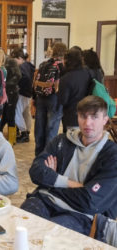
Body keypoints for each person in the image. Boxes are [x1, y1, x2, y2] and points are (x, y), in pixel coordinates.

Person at [21, 95, 117, 238]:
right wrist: (72, 184)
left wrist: (52, 183)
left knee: (48, 238)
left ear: (105, 120)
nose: (87, 123)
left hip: (81, 215)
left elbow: (90, 201)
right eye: (83, 116)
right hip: (44, 200)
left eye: (94, 117)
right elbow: (35, 171)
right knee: (19, 228)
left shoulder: (112, 155)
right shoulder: (62, 141)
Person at [34, 42, 67, 156]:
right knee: (51, 127)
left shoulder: (44, 64)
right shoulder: (62, 66)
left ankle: (38, 152)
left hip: (40, 97)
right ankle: (47, 155)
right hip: (54, 98)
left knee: (39, 126)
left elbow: (36, 81)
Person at [58, 48, 90, 132]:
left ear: (67, 61)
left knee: (71, 141)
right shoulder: (87, 72)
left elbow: (63, 100)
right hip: (87, 112)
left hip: (71, 115)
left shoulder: (65, 78)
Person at [0, 50, 22, 145]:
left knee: (10, 116)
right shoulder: (0, 62)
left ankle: (12, 139)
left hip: (12, 92)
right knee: (5, 115)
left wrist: (5, 85)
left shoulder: (11, 61)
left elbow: (18, 75)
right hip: (5, 92)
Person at [14, 49, 34, 143]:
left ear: (20, 58)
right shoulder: (29, 65)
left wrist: (17, 85)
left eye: (15, 59)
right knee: (26, 112)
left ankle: (24, 132)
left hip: (22, 93)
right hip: (28, 93)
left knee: (17, 112)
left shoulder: (22, 67)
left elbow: (25, 78)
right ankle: (27, 130)